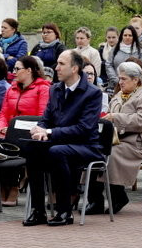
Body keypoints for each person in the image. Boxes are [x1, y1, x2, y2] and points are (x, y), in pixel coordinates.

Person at [21, 50, 103, 227]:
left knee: (57, 151)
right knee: (32, 148)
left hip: (86, 146)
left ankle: (64, 211)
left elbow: (83, 129)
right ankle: (38, 210)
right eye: (57, 63)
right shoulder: (55, 89)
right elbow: (46, 118)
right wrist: (40, 129)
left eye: (61, 64)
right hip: (59, 142)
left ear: (74, 68)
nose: (56, 68)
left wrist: (50, 132)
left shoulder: (92, 93)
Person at [86, 62, 142, 214]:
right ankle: (95, 200)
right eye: (119, 78)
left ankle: (118, 196)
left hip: (140, 140)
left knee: (111, 155)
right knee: (92, 152)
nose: (120, 82)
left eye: (124, 79)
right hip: (118, 138)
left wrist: (116, 117)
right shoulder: (120, 94)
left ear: (136, 79)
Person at [0, 55, 51, 207]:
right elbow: (3, 113)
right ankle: (5, 185)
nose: (13, 72)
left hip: (30, 133)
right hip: (9, 132)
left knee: (15, 145)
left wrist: (14, 129)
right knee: (0, 144)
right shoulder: (11, 89)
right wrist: (1, 128)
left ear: (29, 70)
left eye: (17, 69)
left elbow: (41, 117)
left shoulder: (43, 89)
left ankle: (14, 186)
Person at [106, 25, 142, 91]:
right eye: (125, 35)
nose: (127, 37)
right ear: (121, 36)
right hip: (115, 85)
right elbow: (108, 65)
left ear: (134, 36)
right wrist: (117, 79)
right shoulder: (115, 49)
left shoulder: (141, 51)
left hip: (134, 86)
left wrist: (130, 81)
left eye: (130, 35)